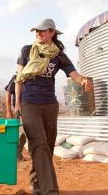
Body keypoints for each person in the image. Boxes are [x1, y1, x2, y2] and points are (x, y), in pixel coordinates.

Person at [14, 19, 93, 195]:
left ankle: (36, 184)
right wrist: (17, 104)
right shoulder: (27, 50)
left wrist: (83, 80)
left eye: (43, 31)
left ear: (52, 33)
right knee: (39, 144)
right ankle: (50, 190)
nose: (39, 34)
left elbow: (74, 74)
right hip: (29, 103)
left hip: (49, 104)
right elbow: (19, 78)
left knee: (47, 147)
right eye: (37, 31)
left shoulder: (58, 55)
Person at [5, 73, 27, 161]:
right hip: (18, 109)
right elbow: (8, 92)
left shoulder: (31, 75)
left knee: (27, 131)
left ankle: (18, 152)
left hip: (30, 109)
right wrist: (8, 110)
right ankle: (16, 154)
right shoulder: (16, 77)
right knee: (15, 132)